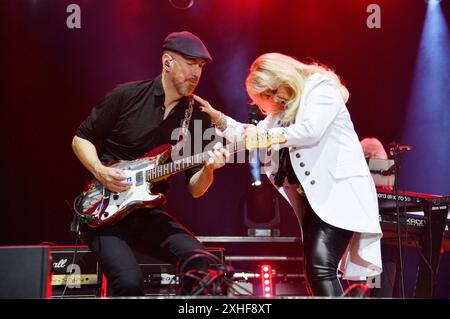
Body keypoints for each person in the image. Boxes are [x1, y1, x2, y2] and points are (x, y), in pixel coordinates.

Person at [195, 53, 383, 296]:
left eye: (274, 91)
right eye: (268, 96)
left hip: (339, 193)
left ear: (284, 75)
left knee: (320, 266)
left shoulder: (320, 88)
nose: (274, 99)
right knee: (315, 268)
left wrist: (263, 137)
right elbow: (250, 135)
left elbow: (310, 131)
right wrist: (219, 120)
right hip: (316, 200)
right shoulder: (284, 111)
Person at [71, 31, 230, 296]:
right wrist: (101, 171)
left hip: (145, 211)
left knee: (202, 264)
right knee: (129, 282)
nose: (196, 73)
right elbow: (81, 139)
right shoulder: (126, 95)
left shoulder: (197, 117)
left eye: (200, 67)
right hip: (104, 210)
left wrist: (209, 169)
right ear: (167, 62)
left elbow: (195, 188)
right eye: (190, 63)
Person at [361, 137, 397, 297]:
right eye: (368, 155)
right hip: (360, 246)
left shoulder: (387, 189)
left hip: (383, 247)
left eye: (376, 156)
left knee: (382, 291)